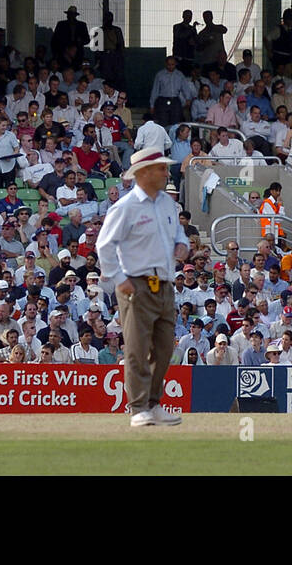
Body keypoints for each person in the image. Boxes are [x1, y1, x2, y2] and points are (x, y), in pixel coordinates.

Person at [98, 148, 185, 428]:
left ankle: (153, 403)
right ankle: (138, 407)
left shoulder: (168, 204)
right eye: (160, 168)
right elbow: (104, 245)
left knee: (163, 347)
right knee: (136, 347)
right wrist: (118, 278)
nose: (165, 172)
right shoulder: (124, 207)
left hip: (165, 283)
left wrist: (182, 246)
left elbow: (179, 235)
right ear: (143, 173)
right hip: (136, 283)